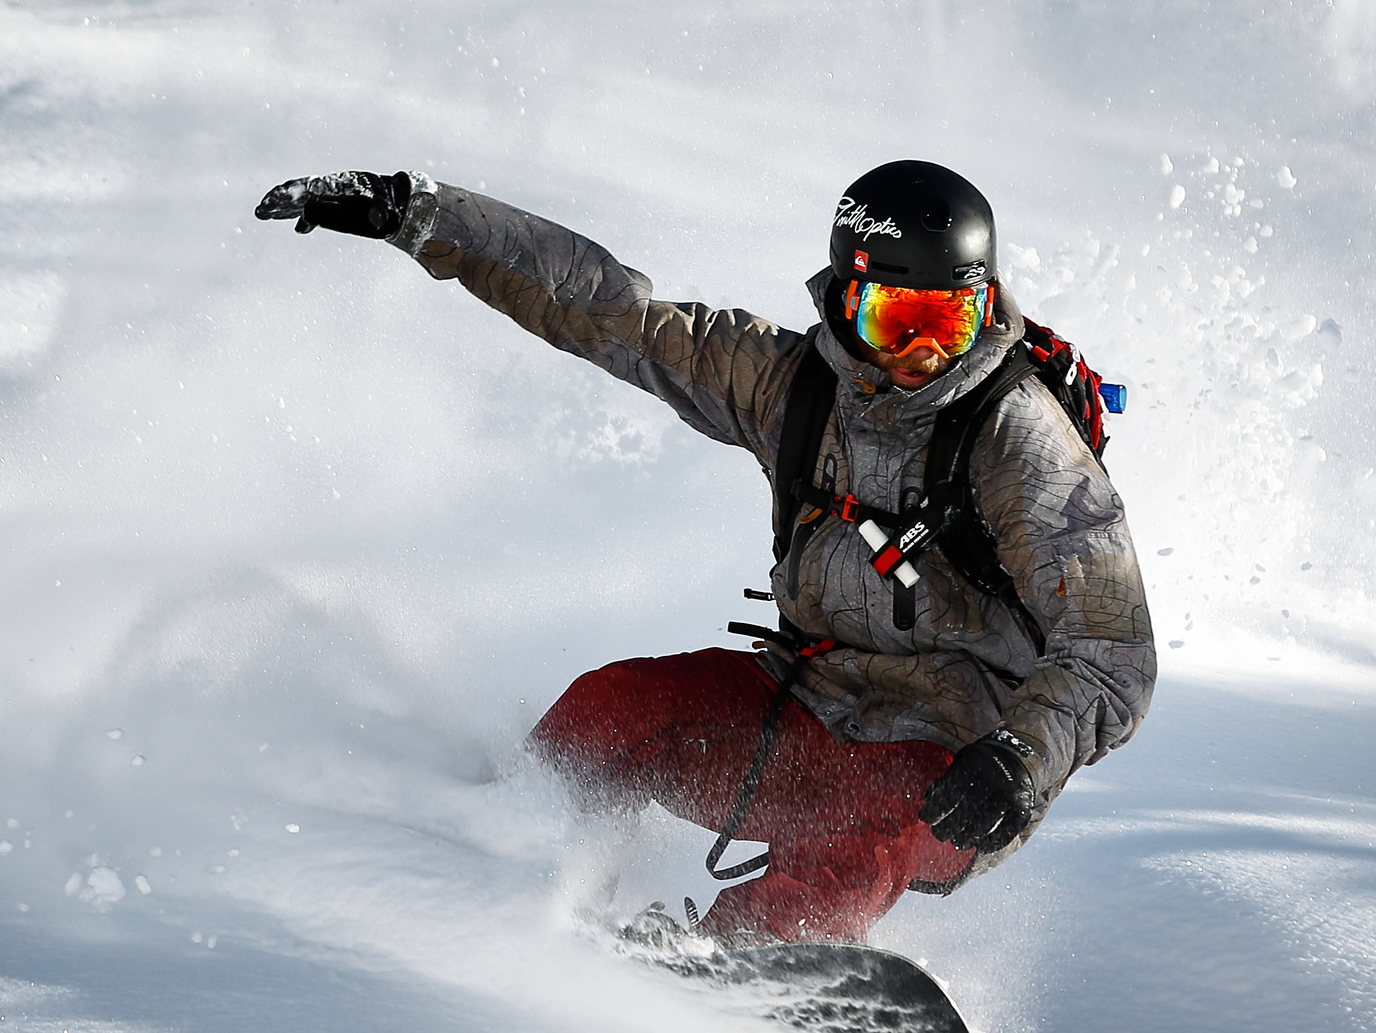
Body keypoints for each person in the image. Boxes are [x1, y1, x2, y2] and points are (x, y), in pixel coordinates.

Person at [255, 160, 1156, 945]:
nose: (924, 354)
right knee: (614, 707)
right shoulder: (790, 385)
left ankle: (740, 972)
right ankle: (507, 870)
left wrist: (1019, 758)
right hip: (807, 707)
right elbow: (608, 312)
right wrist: (418, 213)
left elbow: (1113, 653)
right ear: (846, 301)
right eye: (896, 320)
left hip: (956, 767)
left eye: (949, 323)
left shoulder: (1020, 444)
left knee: (857, 845)